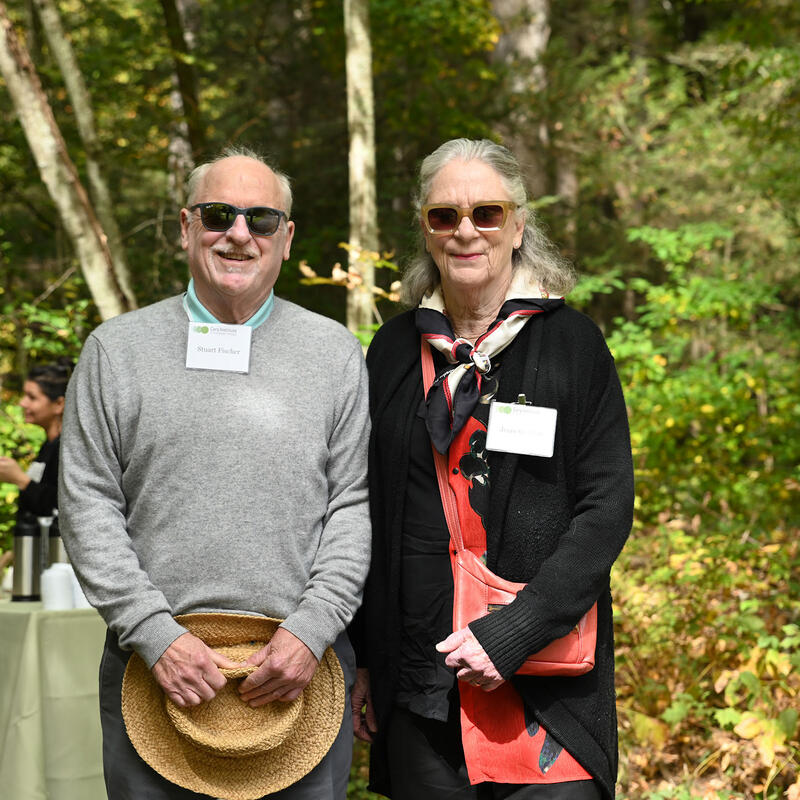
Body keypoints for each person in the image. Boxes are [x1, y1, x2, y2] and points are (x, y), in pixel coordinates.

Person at [59, 147, 371, 799]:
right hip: (155, 671)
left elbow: (352, 506)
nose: (239, 234)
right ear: (186, 226)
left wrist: (312, 630)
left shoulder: (335, 354)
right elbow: (88, 505)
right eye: (219, 215)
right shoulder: (116, 352)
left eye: (262, 219)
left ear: (287, 238)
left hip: (296, 675)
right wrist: (152, 632)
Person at [350, 139, 634, 800]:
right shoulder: (392, 350)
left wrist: (518, 630)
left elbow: (606, 507)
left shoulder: (572, 345)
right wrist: (364, 657)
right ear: (425, 230)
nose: (466, 231)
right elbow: (366, 508)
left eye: (487, 212)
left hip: (545, 690)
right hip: (421, 688)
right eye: (443, 215)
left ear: (518, 225)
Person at [0, 359, 72, 518]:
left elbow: (62, 506)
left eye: (32, 397)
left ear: (59, 404)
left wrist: (20, 479)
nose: (22, 403)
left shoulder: (67, 450)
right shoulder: (49, 445)